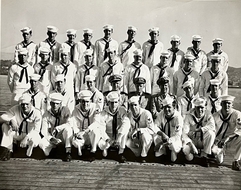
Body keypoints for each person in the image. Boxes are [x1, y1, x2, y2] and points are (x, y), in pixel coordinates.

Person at [0, 94, 42, 160]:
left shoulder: (37, 113)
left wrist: (26, 137)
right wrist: (11, 120)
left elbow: (36, 130)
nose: (24, 106)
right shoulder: (16, 108)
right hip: (18, 133)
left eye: (27, 104)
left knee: (35, 140)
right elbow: (2, 117)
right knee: (5, 126)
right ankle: (7, 150)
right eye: (22, 104)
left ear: (31, 102)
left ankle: (29, 152)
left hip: (30, 135)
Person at [92, 91, 131, 163]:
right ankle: (105, 149)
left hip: (118, 136)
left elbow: (126, 123)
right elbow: (101, 128)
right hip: (108, 137)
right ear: (108, 103)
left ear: (119, 102)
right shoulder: (103, 113)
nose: (113, 105)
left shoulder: (122, 110)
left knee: (126, 128)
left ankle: (120, 153)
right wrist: (107, 139)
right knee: (102, 145)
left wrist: (119, 137)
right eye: (111, 103)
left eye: (116, 102)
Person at [182, 97, 216, 167]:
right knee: (187, 154)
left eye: (202, 108)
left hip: (203, 140)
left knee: (211, 133)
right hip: (193, 140)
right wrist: (191, 144)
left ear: (205, 108)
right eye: (198, 108)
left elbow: (212, 126)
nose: (200, 110)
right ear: (195, 107)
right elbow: (185, 132)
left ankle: (204, 156)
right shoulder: (189, 116)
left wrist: (200, 129)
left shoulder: (208, 114)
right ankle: (193, 156)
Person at [39, 92, 72, 162]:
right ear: (50, 103)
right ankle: (52, 152)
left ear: (60, 104)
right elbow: (43, 130)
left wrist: (58, 128)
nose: (55, 106)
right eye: (53, 103)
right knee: (41, 143)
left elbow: (70, 124)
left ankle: (68, 152)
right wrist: (51, 138)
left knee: (68, 130)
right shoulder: (47, 114)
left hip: (62, 136)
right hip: (53, 136)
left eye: (57, 104)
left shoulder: (66, 110)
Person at [71, 90, 103, 162]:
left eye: (87, 101)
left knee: (96, 131)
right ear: (80, 102)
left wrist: (86, 131)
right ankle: (81, 150)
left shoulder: (95, 108)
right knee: (75, 142)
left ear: (90, 101)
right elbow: (73, 123)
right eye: (83, 102)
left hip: (90, 133)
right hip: (81, 133)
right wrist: (77, 133)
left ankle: (93, 152)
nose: (85, 104)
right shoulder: (76, 109)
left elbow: (96, 122)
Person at [212, 95, 241, 171]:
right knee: (218, 160)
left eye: (229, 103)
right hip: (219, 141)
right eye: (224, 103)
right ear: (221, 104)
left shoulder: (237, 114)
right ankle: (216, 153)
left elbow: (240, 129)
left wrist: (229, 138)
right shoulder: (215, 116)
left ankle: (236, 161)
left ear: (232, 104)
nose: (226, 105)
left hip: (231, 140)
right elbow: (212, 130)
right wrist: (215, 141)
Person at [126, 96, 156, 163]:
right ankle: (137, 154)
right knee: (127, 142)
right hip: (136, 138)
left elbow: (152, 130)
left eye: (135, 105)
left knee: (145, 135)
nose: (134, 108)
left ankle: (144, 156)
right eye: (131, 106)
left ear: (139, 105)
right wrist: (131, 135)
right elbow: (128, 128)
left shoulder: (146, 113)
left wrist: (139, 130)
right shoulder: (129, 115)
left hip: (146, 137)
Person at [153, 96, 183, 163]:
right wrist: (162, 133)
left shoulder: (178, 117)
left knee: (173, 155)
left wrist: (163, 143)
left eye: (169, 107)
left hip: (174, 140)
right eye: (165, 107)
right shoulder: (161, 114)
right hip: (164, 137)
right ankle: (162, 155)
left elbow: (177, 135)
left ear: (174, 107)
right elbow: (155, 127)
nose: (166, 109)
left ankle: (175, 157)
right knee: (156, 136)